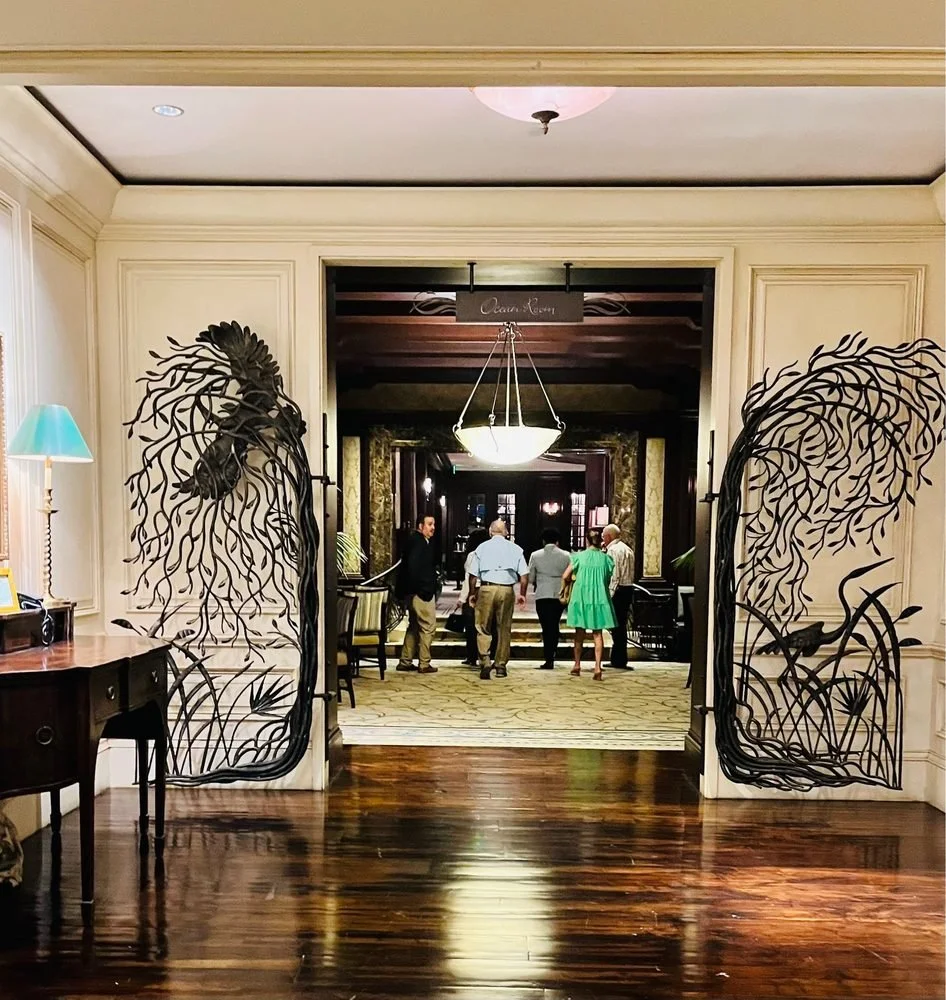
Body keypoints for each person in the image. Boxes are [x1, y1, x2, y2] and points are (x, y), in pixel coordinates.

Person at [468, 519, 528, 680]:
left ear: (490, 531)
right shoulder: (515, 549)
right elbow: (524, 576)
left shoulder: (482, 548)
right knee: (504, 628)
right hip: (506, 589)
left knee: (482, 626)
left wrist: (472, 593)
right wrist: (522, 594)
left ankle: (485, 661)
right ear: (506, 532)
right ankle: (501, 665)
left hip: (487, 588)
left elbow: (473, 575)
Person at [561, 528, 616, 681]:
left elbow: (565, 575)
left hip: (581, 597)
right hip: (599, 598)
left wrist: (567, 586)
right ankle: (597, 667)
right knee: (598, 634)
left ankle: (577, 665)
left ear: (587, 540)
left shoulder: (579, 557)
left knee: (579, 634)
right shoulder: (606, 559)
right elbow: (608, 578)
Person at [394, 514, 439, 674]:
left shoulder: (414, 541)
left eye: (433, 524)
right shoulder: (419, 543)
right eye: (429, 524)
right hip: (420, 593)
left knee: (413, 626)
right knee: (428, 627)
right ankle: (424, 663)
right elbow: (415, 569)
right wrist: (424, 589)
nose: (433, 528)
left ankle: (405, 660)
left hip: (411, 592)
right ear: (420, 526)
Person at [524, 527, 571, 669]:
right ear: (557, 541)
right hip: (559, 593)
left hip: (543, 593)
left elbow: (531, 577)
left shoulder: (535, 555)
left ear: (543, 541)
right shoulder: (566, 555)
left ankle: (548, 656)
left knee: (546, 626)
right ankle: (553, 653)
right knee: (554, 624)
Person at [456, 527, 492, 666]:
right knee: (487, 625)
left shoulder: (473, 555)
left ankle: (472, 656)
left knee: (471, 626)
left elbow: (469, 578)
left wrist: (462, 598)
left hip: (475, 591)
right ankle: (487, 654)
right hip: (488, 590)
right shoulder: (491, 553)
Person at [602, 522, 635, 670]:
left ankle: (618, 659)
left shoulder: (613, 551)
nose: (603, 540)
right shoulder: (627, 549)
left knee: (616, 627)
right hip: (628, 589)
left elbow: (614, 576)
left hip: (618, 591)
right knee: (621, 626)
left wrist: (609, 595)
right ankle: (620, 658)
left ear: (609, 536)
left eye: (603, 536)